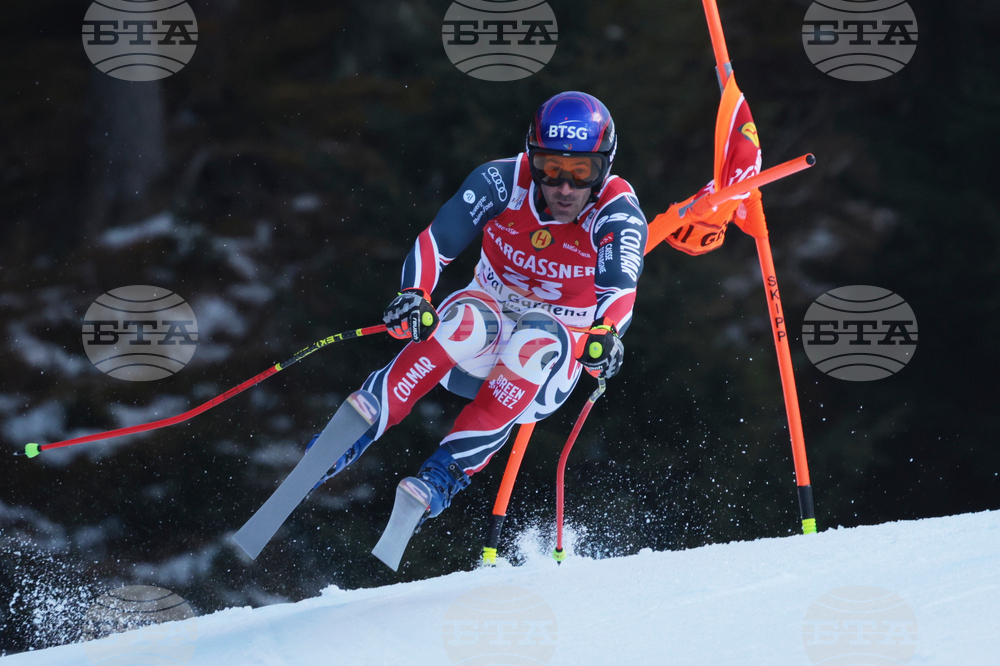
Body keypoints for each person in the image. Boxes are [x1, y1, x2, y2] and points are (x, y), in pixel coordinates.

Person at [311, 91, 648, 524]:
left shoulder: (616, 210)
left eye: (583, 172)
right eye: (552, 169)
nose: (565, 188)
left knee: (536, 337)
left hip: (546, 365)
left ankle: (445, 472)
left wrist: (607, 332)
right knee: (468, 317)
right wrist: (414, 293)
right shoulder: (504, 181)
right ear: (532, 157)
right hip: (477, 341)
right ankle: (360, 423)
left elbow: (621, 286)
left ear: (606, 165)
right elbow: (438, 240)